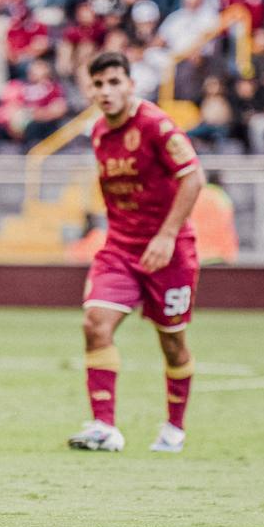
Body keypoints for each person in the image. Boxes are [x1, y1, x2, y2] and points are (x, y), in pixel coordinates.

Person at [69, 52, 204, 454]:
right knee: (95, 323)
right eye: (98, 84)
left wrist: (166, 235)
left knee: (172, 343)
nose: (106, 91)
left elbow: (193, 178)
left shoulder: (156, 125)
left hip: (170, 251)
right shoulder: (98, 132)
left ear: (130, 84)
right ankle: (103, 427)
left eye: (114, 82)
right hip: (120, 249)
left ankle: (174, 428)